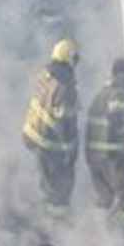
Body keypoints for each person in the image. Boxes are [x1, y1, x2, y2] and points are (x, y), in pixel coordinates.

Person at [22, 39, 80, 222]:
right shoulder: (64, 85)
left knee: (46, 183)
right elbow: (64, 119)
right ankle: (57, 226)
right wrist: (68, 151)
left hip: (34, 137)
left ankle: (46, 218)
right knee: (59, 189)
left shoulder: (45, 75)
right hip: (51, 143)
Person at [83, 58, 124, 232]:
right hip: (113, 160)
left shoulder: (101, 94)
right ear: (121, 74)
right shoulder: (119, 95)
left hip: (94, 159)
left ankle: (94, 235)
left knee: (105, 198)